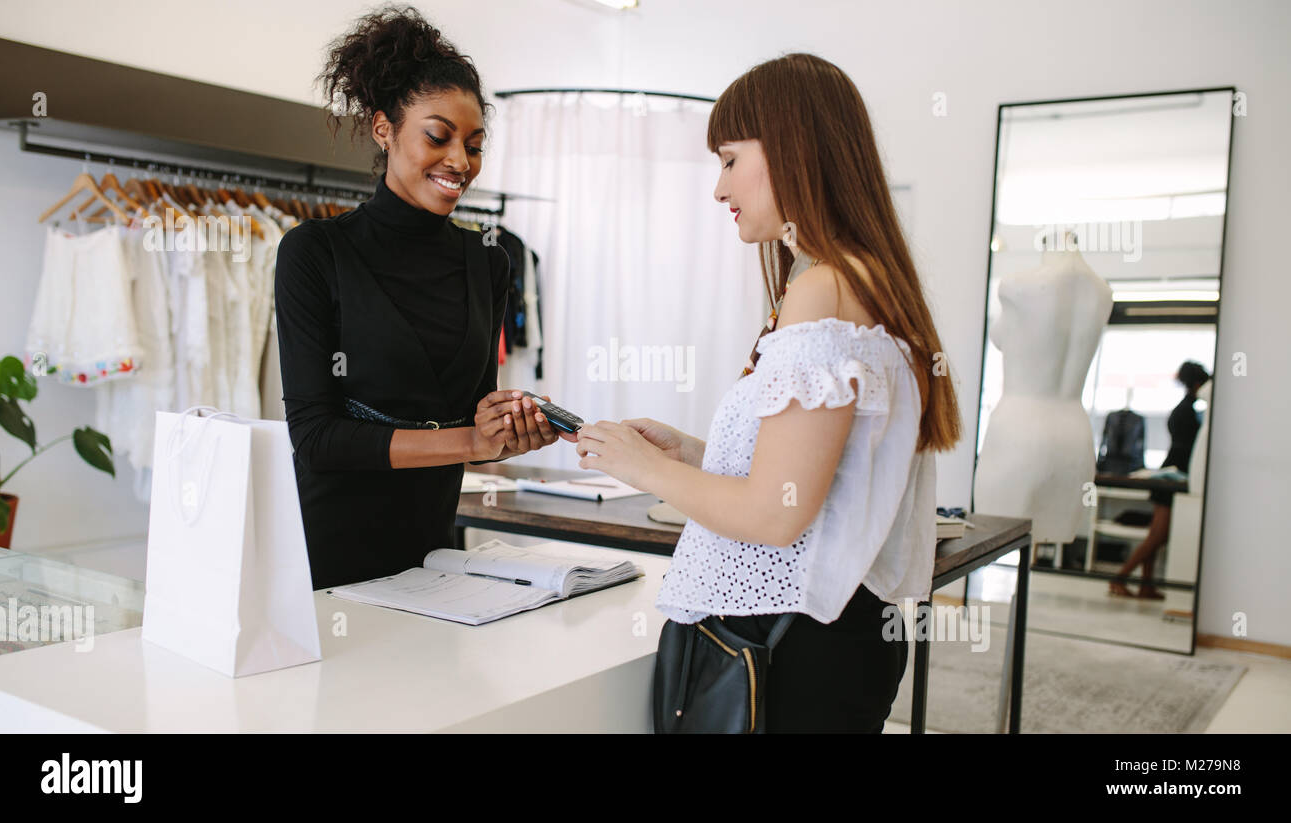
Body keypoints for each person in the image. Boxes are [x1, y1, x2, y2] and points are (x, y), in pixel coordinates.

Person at [574, 53, 962, 733]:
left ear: (791, 148)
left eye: (729, 159)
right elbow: (818, 476)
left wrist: (643, 469)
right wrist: (692, 452)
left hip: (795, 647)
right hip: (845, 637)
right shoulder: (868, 280)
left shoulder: (822, 290)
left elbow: (775, 515)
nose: (719, 189)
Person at [274, 6, 569, 590]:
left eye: (475, 145)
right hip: (330, 558)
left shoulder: (488, 260)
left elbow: (474, 421)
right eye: (439, 136)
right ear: (384, 129)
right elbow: (316, 438)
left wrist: (507, 431)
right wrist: (471, 440)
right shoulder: (314, 253)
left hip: (437, 554)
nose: (460, 162)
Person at [1109, 361, 1210, 599]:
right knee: (1158, 536)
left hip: (1169, 472)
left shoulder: (1183, 409)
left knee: (1155, 534)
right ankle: (1119, 577)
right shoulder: (1190, 412)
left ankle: (1146, 585)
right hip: (1174, 475)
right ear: (1197, 383)